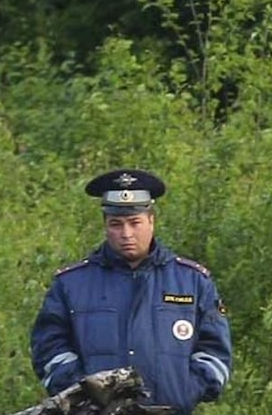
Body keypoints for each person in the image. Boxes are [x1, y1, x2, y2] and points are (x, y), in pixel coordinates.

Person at [30, 169, 232, 415]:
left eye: (135, 222)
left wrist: (186, 391)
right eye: (116, 224)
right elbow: (48, 348)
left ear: (151, 221)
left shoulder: (193, 281)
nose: (126, 234)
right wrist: (82, 392)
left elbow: (215, 349)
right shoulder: (71, 284)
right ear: (105, 224)